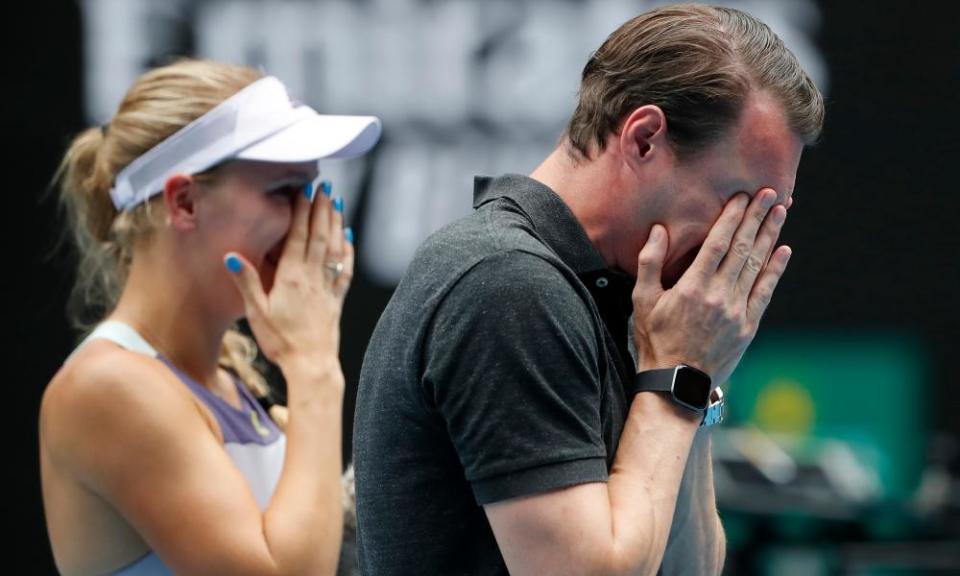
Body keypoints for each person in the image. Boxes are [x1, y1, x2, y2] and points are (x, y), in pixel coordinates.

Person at [353, 3, 823, 574]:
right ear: (644, 139)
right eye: (741, 202)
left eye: (773, 213)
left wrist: (695, 377)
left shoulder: (615, 301)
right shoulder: (506, 283)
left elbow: (689, 567)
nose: (746, 240)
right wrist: (680, 375)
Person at [40, 58, 380, 575]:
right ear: (185, 203)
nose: (314, 223)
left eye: (312, 191)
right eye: (284, 191)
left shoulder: (238, 388)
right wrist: (314, 365)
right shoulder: (106, 386)